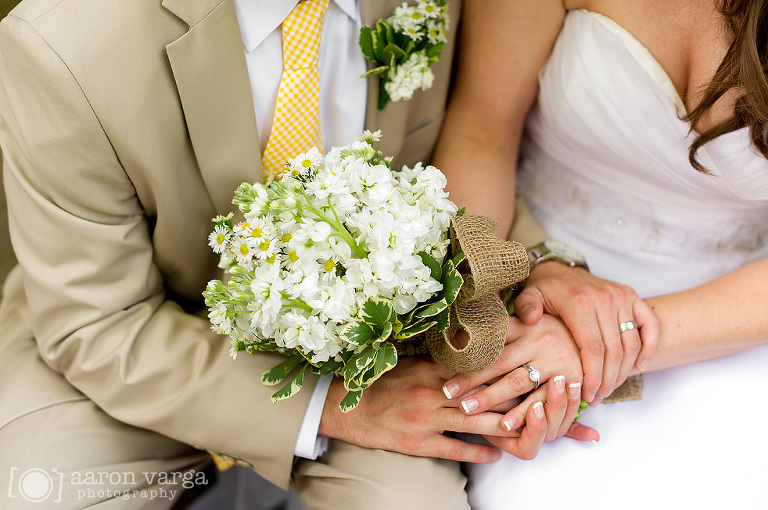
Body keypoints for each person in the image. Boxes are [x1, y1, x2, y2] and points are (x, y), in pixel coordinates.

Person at [0, 0, 652, 508]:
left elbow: (471, 140)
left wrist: (535, 264)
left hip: (380, 346)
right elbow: (97, 323)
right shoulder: (62, 47)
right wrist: (332, 406)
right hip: (138, 342)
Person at [434, 0, 768, 507]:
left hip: (736, 316)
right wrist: (491, 305)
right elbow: (482, 131)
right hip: (526, 285)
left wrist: (595, 344)